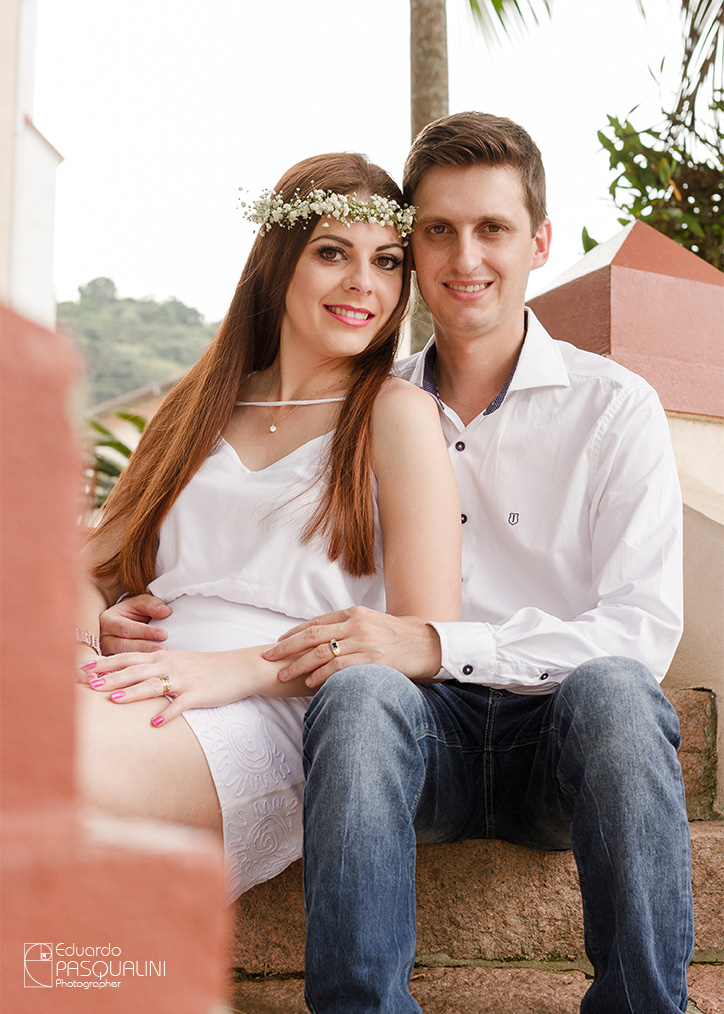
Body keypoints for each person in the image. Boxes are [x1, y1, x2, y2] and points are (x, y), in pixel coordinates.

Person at [101, 115, 693, 1012]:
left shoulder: (613, 408)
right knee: (362, 691)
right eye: (437, 232)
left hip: (558, 738)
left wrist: (437, 645)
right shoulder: (371, 404)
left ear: (538, 242)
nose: (465, 258)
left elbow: (642, 635)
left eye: (492, 229)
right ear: (414, 250)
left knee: (615, 686)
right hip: (418, 739)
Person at [75, 151, 462, 903]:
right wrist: (85, 633)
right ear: (280, 261)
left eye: (386, 262)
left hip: (274, 707)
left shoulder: (395, 415)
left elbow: (423, 633)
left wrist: (233, 668)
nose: (363, 283)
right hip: (137, 681)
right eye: (331, 252)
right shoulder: (199, 406)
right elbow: (84, 565)